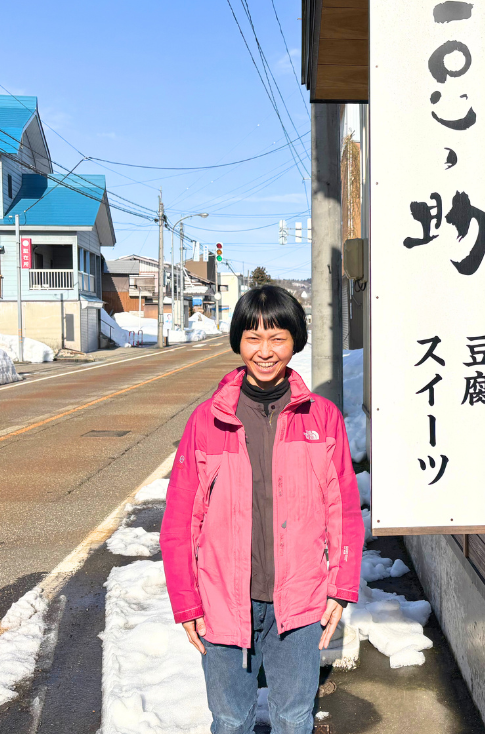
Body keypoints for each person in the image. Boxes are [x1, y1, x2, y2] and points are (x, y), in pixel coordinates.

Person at [161, 285, 364, 734]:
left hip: (301, 602)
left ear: (295, 342)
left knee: (294, 718)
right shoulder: (208, 420)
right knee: (231, 720)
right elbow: (179, 521)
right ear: (238, 341)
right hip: (222, 602)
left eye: (278, 338)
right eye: (253, 337)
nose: (265, 351)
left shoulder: (321, 417)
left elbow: (344, 512)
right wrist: (186, 601)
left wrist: (341, 588)